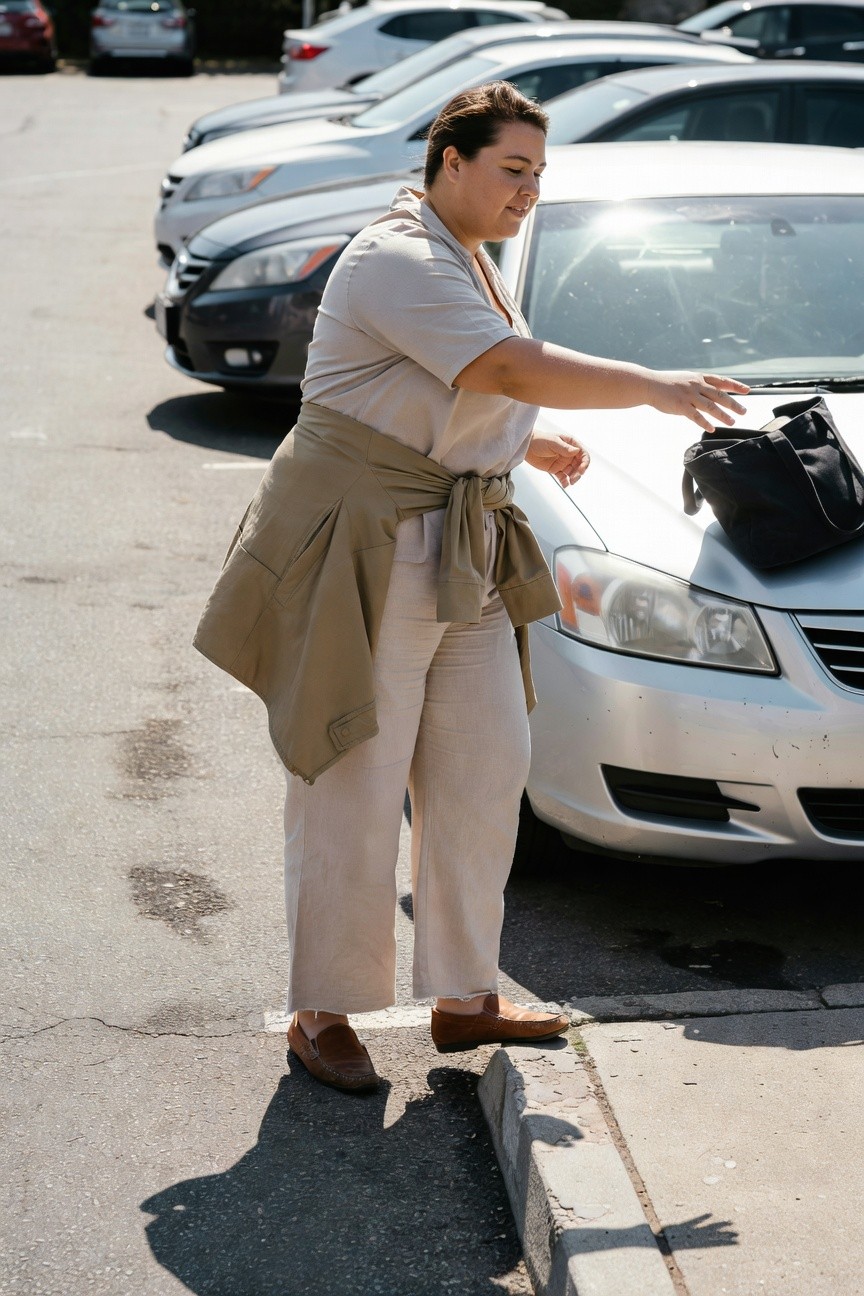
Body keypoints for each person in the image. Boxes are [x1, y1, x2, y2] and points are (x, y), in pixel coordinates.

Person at [194, 81, 748, 1095]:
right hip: (367, 542)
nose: (529, 189)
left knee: (487, 766)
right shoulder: (398, 255)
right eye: (513, 169)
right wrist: (655, 387)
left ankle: (461, 994)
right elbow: (498, 366)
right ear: (451, 161)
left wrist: (531, 441)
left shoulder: (466, 259)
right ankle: (322, 1011)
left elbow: (433, 387)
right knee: (349, 773)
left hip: (457, 541)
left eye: (540, 173)